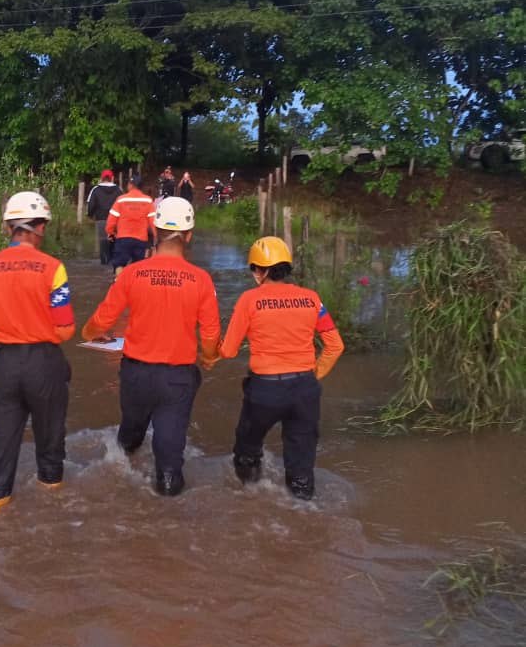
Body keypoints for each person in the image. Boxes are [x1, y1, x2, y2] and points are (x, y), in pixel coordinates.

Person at [83, 196, 220, 495]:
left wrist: (90, 332)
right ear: (189, 235)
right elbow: (210, 337)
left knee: (129, 437)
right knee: (169, 462)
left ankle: (119, 473)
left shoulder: (132, 273)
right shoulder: (201, 280)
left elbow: (102, 319)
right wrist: (209, 358)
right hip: (177, 378)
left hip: (135, 375)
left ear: (153, 231)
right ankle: (168, 521)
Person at [0, 191, 75, 516]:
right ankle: (52, 511)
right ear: (38, 227)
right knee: (51, 441)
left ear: (10, 227)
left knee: (2, 443)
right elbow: (66, 329)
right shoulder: (53, 268)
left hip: (4, 365)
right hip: (44, 363)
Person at [214, 236, 344, 500]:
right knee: (301, 464)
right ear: (285, 267)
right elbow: (335, 346)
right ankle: (302, 509)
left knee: (247, 450)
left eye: (253, 269)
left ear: (260, 271)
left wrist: (209, 346)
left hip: (265, 390)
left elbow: (228, 351)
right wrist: (312, 375)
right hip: (304, 389)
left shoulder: (249, 300)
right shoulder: (311, 299)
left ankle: (250, 496)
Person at [106, 174, 156, 276]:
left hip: (123, 239)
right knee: (138, 266)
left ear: (130, 185)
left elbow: (111, 221)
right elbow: (153, 223)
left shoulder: (121, 200)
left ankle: (118, 283)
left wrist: (110, 233)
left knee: (119, 264)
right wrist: (156, 239)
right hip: (141, 240)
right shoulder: (148, 201)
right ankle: (136, 286)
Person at [87, 169, 122, 265]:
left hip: (101, 219)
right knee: (113, 241)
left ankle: (104, 263)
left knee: (103, 242)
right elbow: (122, 204)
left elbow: (91, 205)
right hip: (115, 220)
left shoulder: (95, 189)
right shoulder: (118, 190)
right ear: (112, 178)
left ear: (101, 178)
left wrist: (90, 215)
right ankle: (112, 263)